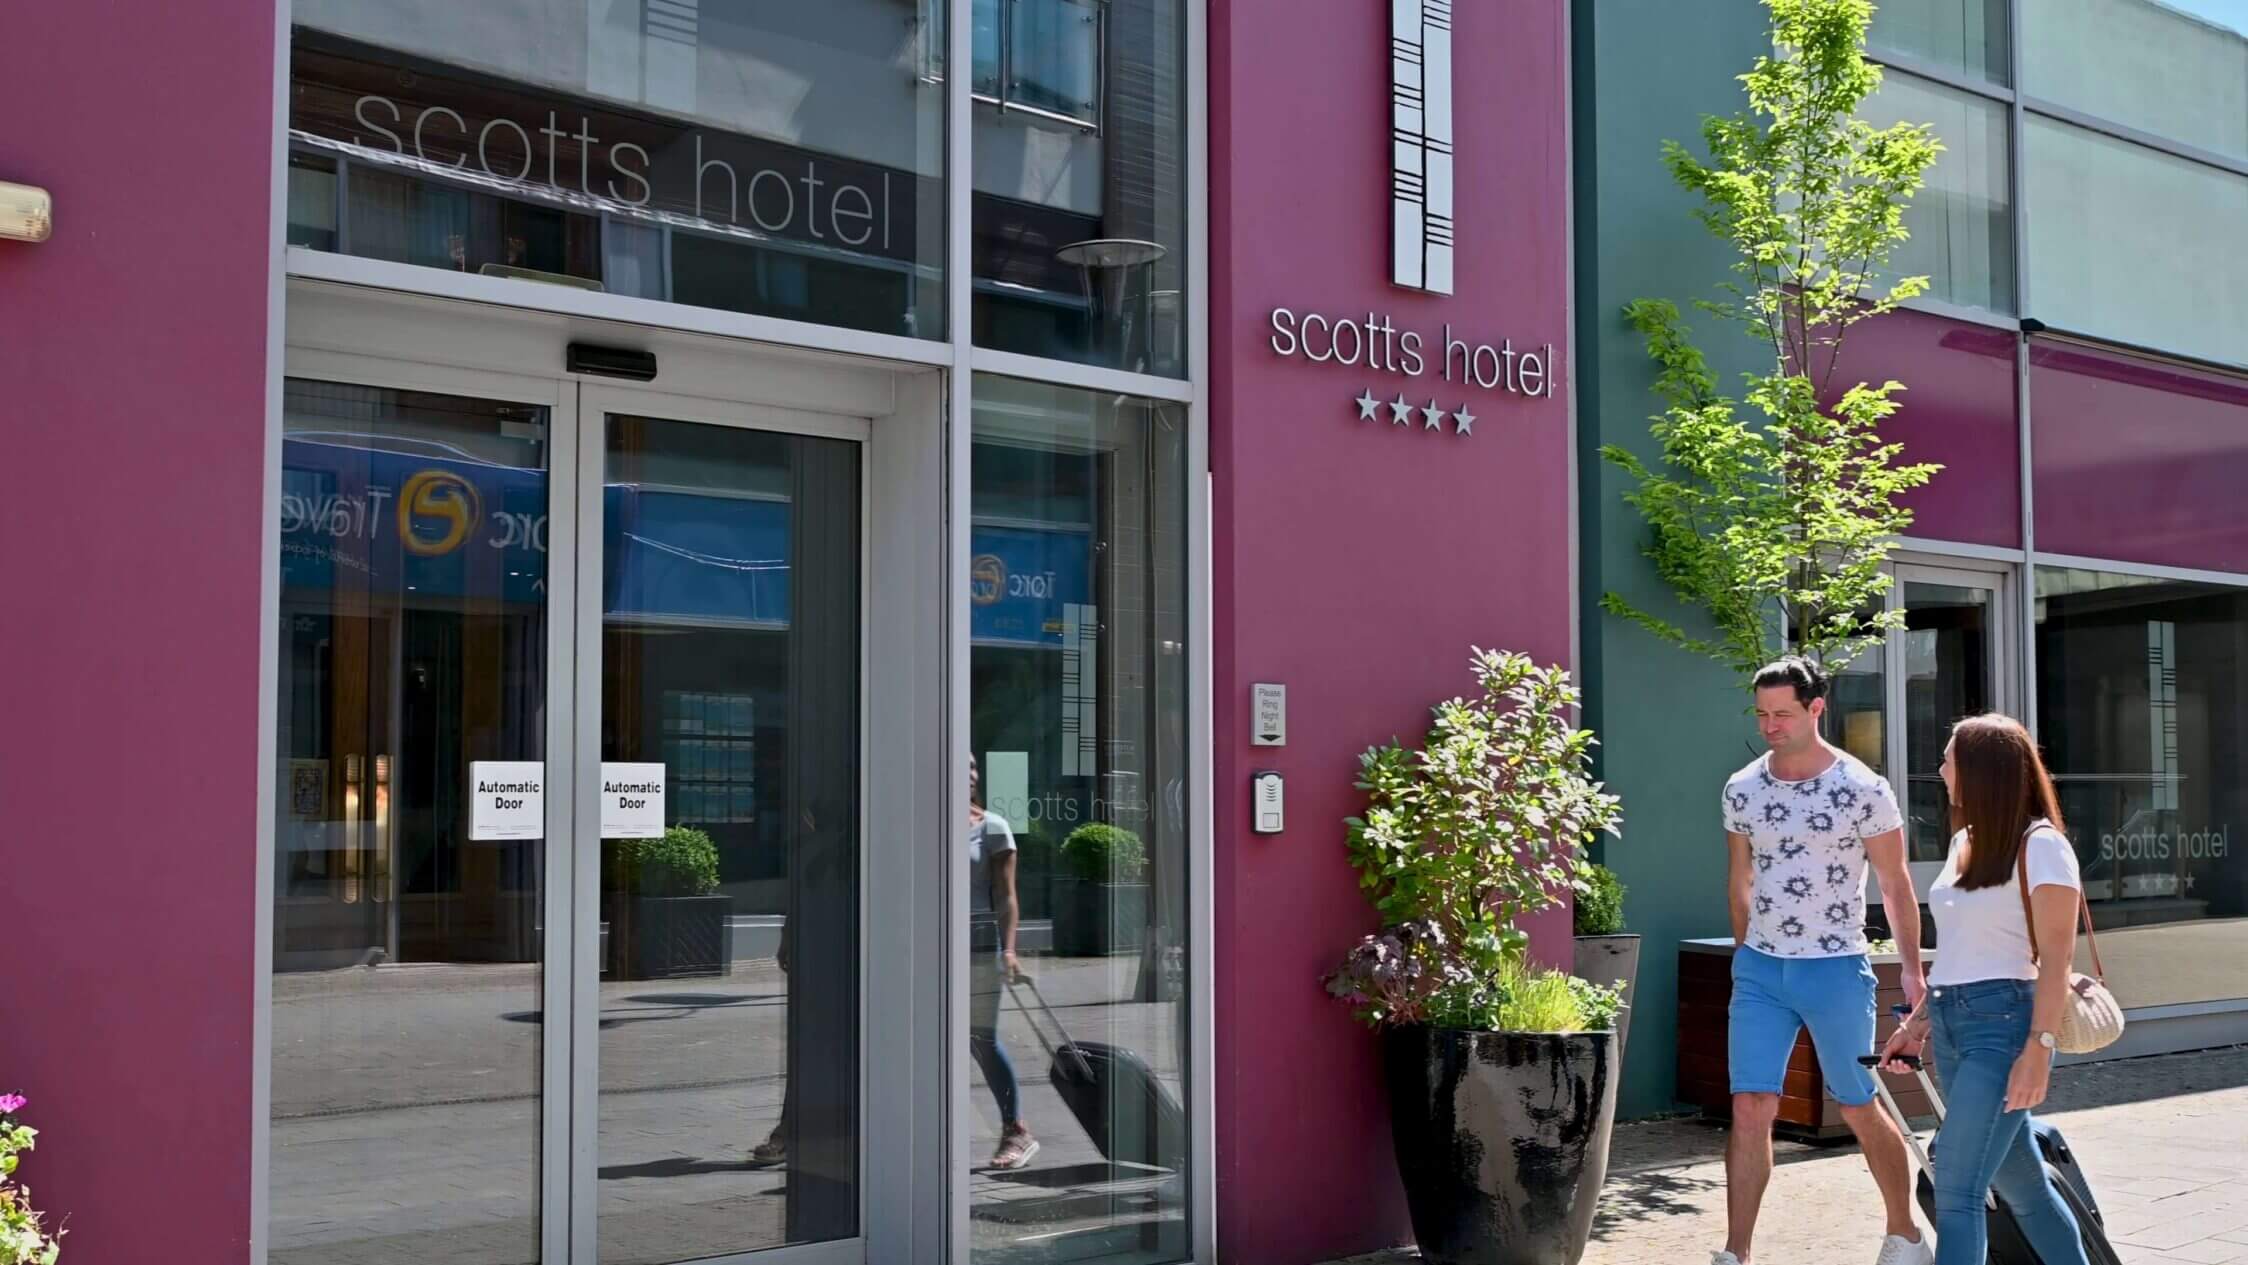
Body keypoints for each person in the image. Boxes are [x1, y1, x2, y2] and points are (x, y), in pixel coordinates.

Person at [1716, 657, 1932, 1265]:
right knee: (1750, 1104)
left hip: (1835, 968)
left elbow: (1894, 886)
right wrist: (1742, 959)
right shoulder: (1742, 787)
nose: (1770, 725)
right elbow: (1740, 880)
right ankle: (1736, 1253)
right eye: (1761, 713)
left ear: (1817, 708)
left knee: (1858, 1102)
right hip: (1760, 970)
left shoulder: (1863, 788)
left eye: (1782, 713)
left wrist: (1912, 972)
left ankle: (1905, 1236)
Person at [1879, 715, 2091, 1265]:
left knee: (1956, 1183)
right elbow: (1954, 953)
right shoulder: (1963, 843)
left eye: (1949, 758)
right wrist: (1916, 1025)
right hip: (1953, 1022)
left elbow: (2056, 959)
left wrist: (2038, 1052)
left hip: (2004, 1025)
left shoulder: (2042, 846)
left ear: (1980, 771)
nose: (1940, 769)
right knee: (2024, 1189)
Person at [970, 755, 1039, 1169]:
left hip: (978, 945)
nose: (969, 772)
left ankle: (1016, 1129)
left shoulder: (992, 827)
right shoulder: (925, 824)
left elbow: (1007, 896)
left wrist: (1009, 950)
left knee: (980, 1039)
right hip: (927, 948)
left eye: (973, 766)